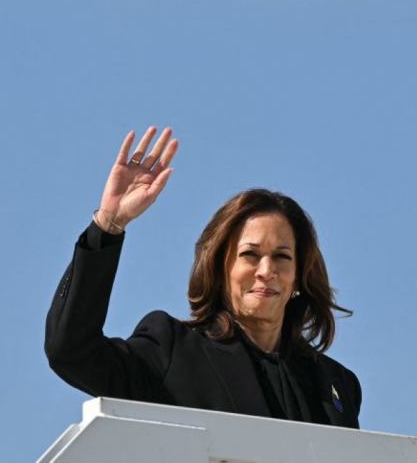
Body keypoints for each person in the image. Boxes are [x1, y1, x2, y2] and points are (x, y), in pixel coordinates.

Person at [44, 126, 361, 428]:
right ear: (221, 269)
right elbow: (72, 352)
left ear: (298, 277)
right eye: (250, 255)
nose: (267, 271)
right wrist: (108, 226)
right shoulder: (175, 352)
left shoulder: (336, 385)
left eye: (282, 257)